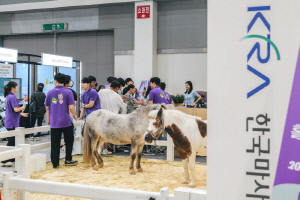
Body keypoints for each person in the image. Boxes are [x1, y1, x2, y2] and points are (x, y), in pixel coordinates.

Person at [45, 73, 78, 168]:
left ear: (55, 81)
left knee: (55, 143)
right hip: (66, 121)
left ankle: (55, 163)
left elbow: (47, 108)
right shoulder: (68, 92)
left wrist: (49, 119)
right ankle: (68, 159)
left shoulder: (50, 92)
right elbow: (71, 107)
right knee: (69, 141)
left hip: (54, 122)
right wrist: (75, 116)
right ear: (65, 82)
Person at [1, 81, 26, 167]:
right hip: (12, 123)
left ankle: (10, 159)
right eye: (16, 86)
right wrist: (22, 107)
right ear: (13, 88)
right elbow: (15, 109)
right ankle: (5, 159)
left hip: (10, 121)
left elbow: (12, 110)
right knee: (11, 141)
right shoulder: (12, 97)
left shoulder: (8, 96)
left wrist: (21, 113)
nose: (17, 88)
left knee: (13, 141)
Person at [98, 80, 128, 154]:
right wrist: (126, 103)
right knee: (107, 134)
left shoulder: (101, 91)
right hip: (112, 118)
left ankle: (98, 149)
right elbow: (124, 107)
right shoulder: (117, 96)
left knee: (99, 133)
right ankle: (105, 150)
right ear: (117, 88)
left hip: (100, 115)